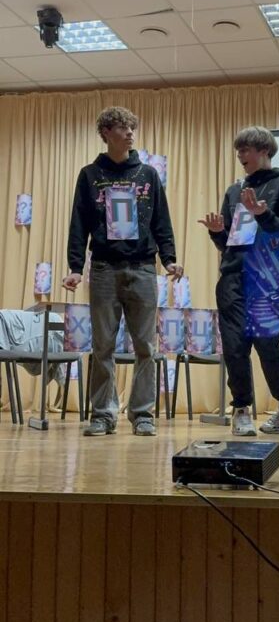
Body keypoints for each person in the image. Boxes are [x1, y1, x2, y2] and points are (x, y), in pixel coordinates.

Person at [63, 106, 183, 437]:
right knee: (103, 346)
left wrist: (169, 259)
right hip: (103, 269)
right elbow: (78, 223)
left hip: (143, 268)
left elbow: (161, 220)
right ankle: (103, 414)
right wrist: (76, 267)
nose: (130, 133)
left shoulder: (148, 175)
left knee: (146, 346)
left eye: (132, 127)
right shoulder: (90, 175)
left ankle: (142, 414)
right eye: (122, 127)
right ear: (106, 133)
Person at [199, 126, 279, 437]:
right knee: (234, 347)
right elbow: (228, 243)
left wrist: (262, 214)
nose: (240, 155)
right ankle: (241, 410)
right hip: (232, 276)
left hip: (265, 279)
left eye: (246, 149)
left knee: (266, 344)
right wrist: (216, 232)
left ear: (264, 150)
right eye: (238, 150)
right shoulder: (235, 190)